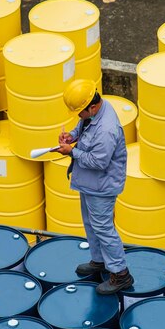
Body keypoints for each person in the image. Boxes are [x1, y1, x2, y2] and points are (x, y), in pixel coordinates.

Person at [53, 79, 134, 295]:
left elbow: (99, 162)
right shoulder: (95, 112)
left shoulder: (107, 129)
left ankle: (120, 274)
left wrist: (71, 151)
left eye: (80, 112)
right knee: (91, 224)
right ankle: (99, 261)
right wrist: (72, 136)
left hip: (102, 186)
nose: (79, 116)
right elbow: (84, 127)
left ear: (93, 106)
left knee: (104, 229)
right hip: (90, 183)